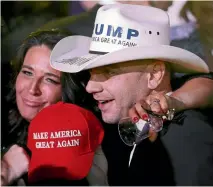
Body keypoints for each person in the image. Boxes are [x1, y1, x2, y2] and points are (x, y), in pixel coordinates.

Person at [51, 4, 213, 185]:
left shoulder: (187, 136)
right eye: (91, 72)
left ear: (154, 75)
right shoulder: (113, 124)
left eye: (109, 71)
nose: (90, 87)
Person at [1, 30, 107, 186]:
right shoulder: (9, 118)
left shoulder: (67, 146)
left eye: (50, 80)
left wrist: (7, 172)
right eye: (27, 72)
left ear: (71, 90)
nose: (32, 89)